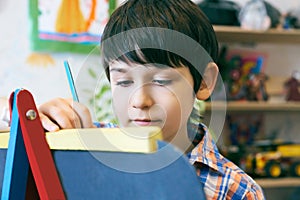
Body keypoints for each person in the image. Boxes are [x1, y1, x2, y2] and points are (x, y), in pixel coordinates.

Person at [38, 0, 265, 199]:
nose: (139, 101)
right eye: (124, 82)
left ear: (204, 82)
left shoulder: (238, 190)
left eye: (161, 81)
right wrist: (30, 122)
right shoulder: (81, 146)